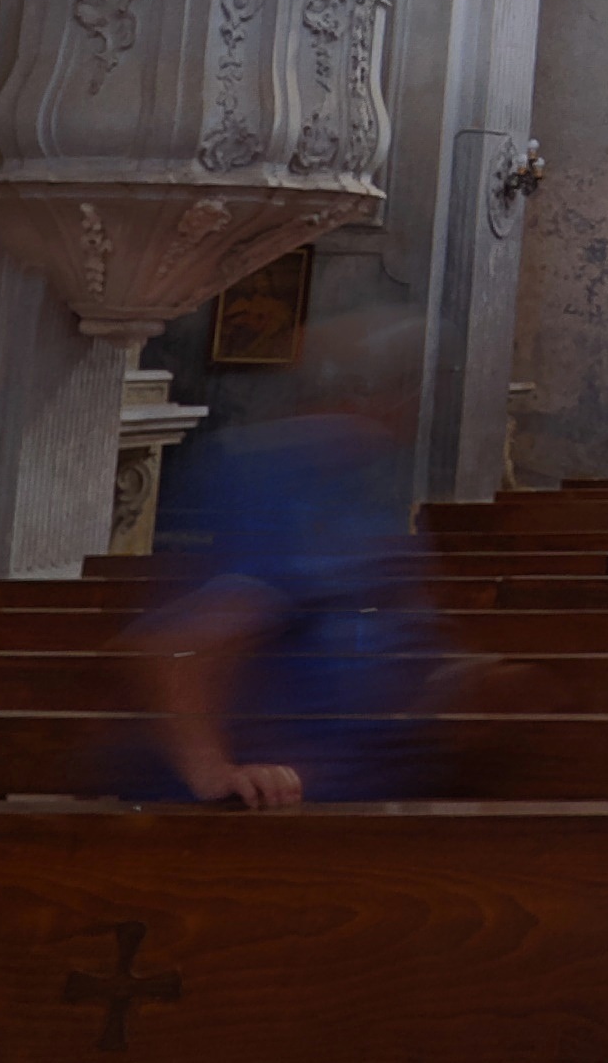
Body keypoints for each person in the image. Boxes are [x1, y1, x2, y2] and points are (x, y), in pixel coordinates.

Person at [129, 306, 443, 803]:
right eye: (398, 391)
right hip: (268, 811)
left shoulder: (360, 485)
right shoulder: (276, 481)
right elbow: (177, 651)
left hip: (343, 795)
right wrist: (216, 772)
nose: (402, 410)